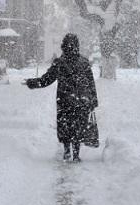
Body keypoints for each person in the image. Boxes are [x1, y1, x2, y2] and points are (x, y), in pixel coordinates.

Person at [25, 34, 98, 162]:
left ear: (63, 46)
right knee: (78, 127)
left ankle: (66, 152)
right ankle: (76, 154)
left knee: (65, 126)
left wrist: (32, 83)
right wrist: (93, 100)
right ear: (77, 46)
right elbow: (91, 83)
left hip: (64, 101)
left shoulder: (59, 63)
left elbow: (47, 80)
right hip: (81, 101)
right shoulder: (84, 63)